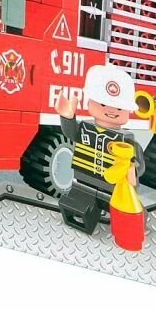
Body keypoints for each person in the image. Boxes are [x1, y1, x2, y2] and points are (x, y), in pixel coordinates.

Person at [55, 64, 144, 236]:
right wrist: (67, 118)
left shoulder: (126, 140)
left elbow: (139, 163)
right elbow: (71, 132)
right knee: (76, 208)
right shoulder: (85, 128)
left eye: (119, 108)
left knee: (131, 219)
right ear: (89, 102)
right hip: (83, 184)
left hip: (115, 192)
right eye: (103, 103)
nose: (111, 110)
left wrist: (132, 170)